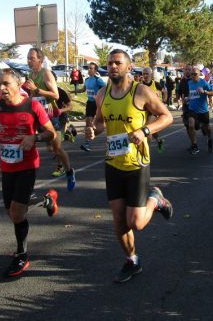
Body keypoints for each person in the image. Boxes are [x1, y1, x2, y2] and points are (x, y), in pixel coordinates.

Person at [85, 49, 173, 283]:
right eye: (110, 63)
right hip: (113, 163)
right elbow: (100, 123)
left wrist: (144, 130)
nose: (113, 66)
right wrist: (93, 129)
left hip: (136, 164)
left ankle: (155, 198)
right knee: (118, 220)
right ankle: (132, 261)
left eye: (118, 63)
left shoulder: (141, 92)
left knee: (136, 222)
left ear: (128, 66)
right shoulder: (101, 95)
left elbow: (167, 117)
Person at [0, 70, 59, 277]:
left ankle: (22, 255)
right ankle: (46, 200)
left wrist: (35, 137)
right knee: (12, 212)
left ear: (19, 84)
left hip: (27, 164)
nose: (1, 88)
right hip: (7, 165)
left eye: (6, 84)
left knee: (16, 212)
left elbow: (51, 132)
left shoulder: (32, 105)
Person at [23, 48, 75, 189]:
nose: (29, 61)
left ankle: (69, 171)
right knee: (31, 144)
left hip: (50, 117)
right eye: (28, 58)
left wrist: (37, 89)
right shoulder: (30, 74)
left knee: (57, 149)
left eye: (32, 58)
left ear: (40, 59)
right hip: (36, 116)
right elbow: (33, 96)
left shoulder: (46, 74)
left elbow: (56, 95)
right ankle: (26, 181)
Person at [74, 62, 106, 152]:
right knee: (88, 122)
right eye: (88, 68)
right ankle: (87, 144)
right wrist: (73, 91)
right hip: (89, 103)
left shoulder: (98, 79)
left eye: (91, 68)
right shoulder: (87, 79)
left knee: (95, 124)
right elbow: (83, 89)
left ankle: (101, 135)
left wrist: (99, 96)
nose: (89, 70)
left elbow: (106, 89)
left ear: (95, 70)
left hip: (97, 103)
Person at [187, 65, 213, 154]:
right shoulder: (189, 83)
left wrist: (205, 92)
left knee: (206, 129)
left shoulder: (204, 82)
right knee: (191, 125)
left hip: (203, 110)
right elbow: (190, 94)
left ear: (199, 74)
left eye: (195, 74)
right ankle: (195, 145)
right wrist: (187, 99)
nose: (193, 76)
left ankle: (209, 138)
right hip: (192, 109)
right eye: (192, 74)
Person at [141, 67, 168, 153]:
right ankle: (159, 140)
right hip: (142, 110)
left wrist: (163, 102)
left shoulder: (156, 84)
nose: (145, 76)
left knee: (147, 128)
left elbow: (164, 92)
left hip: (153, 110)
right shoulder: (139, 85)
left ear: (151, 75)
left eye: (147, 74)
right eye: (144, 74)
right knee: (151, 129)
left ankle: (146, 152)